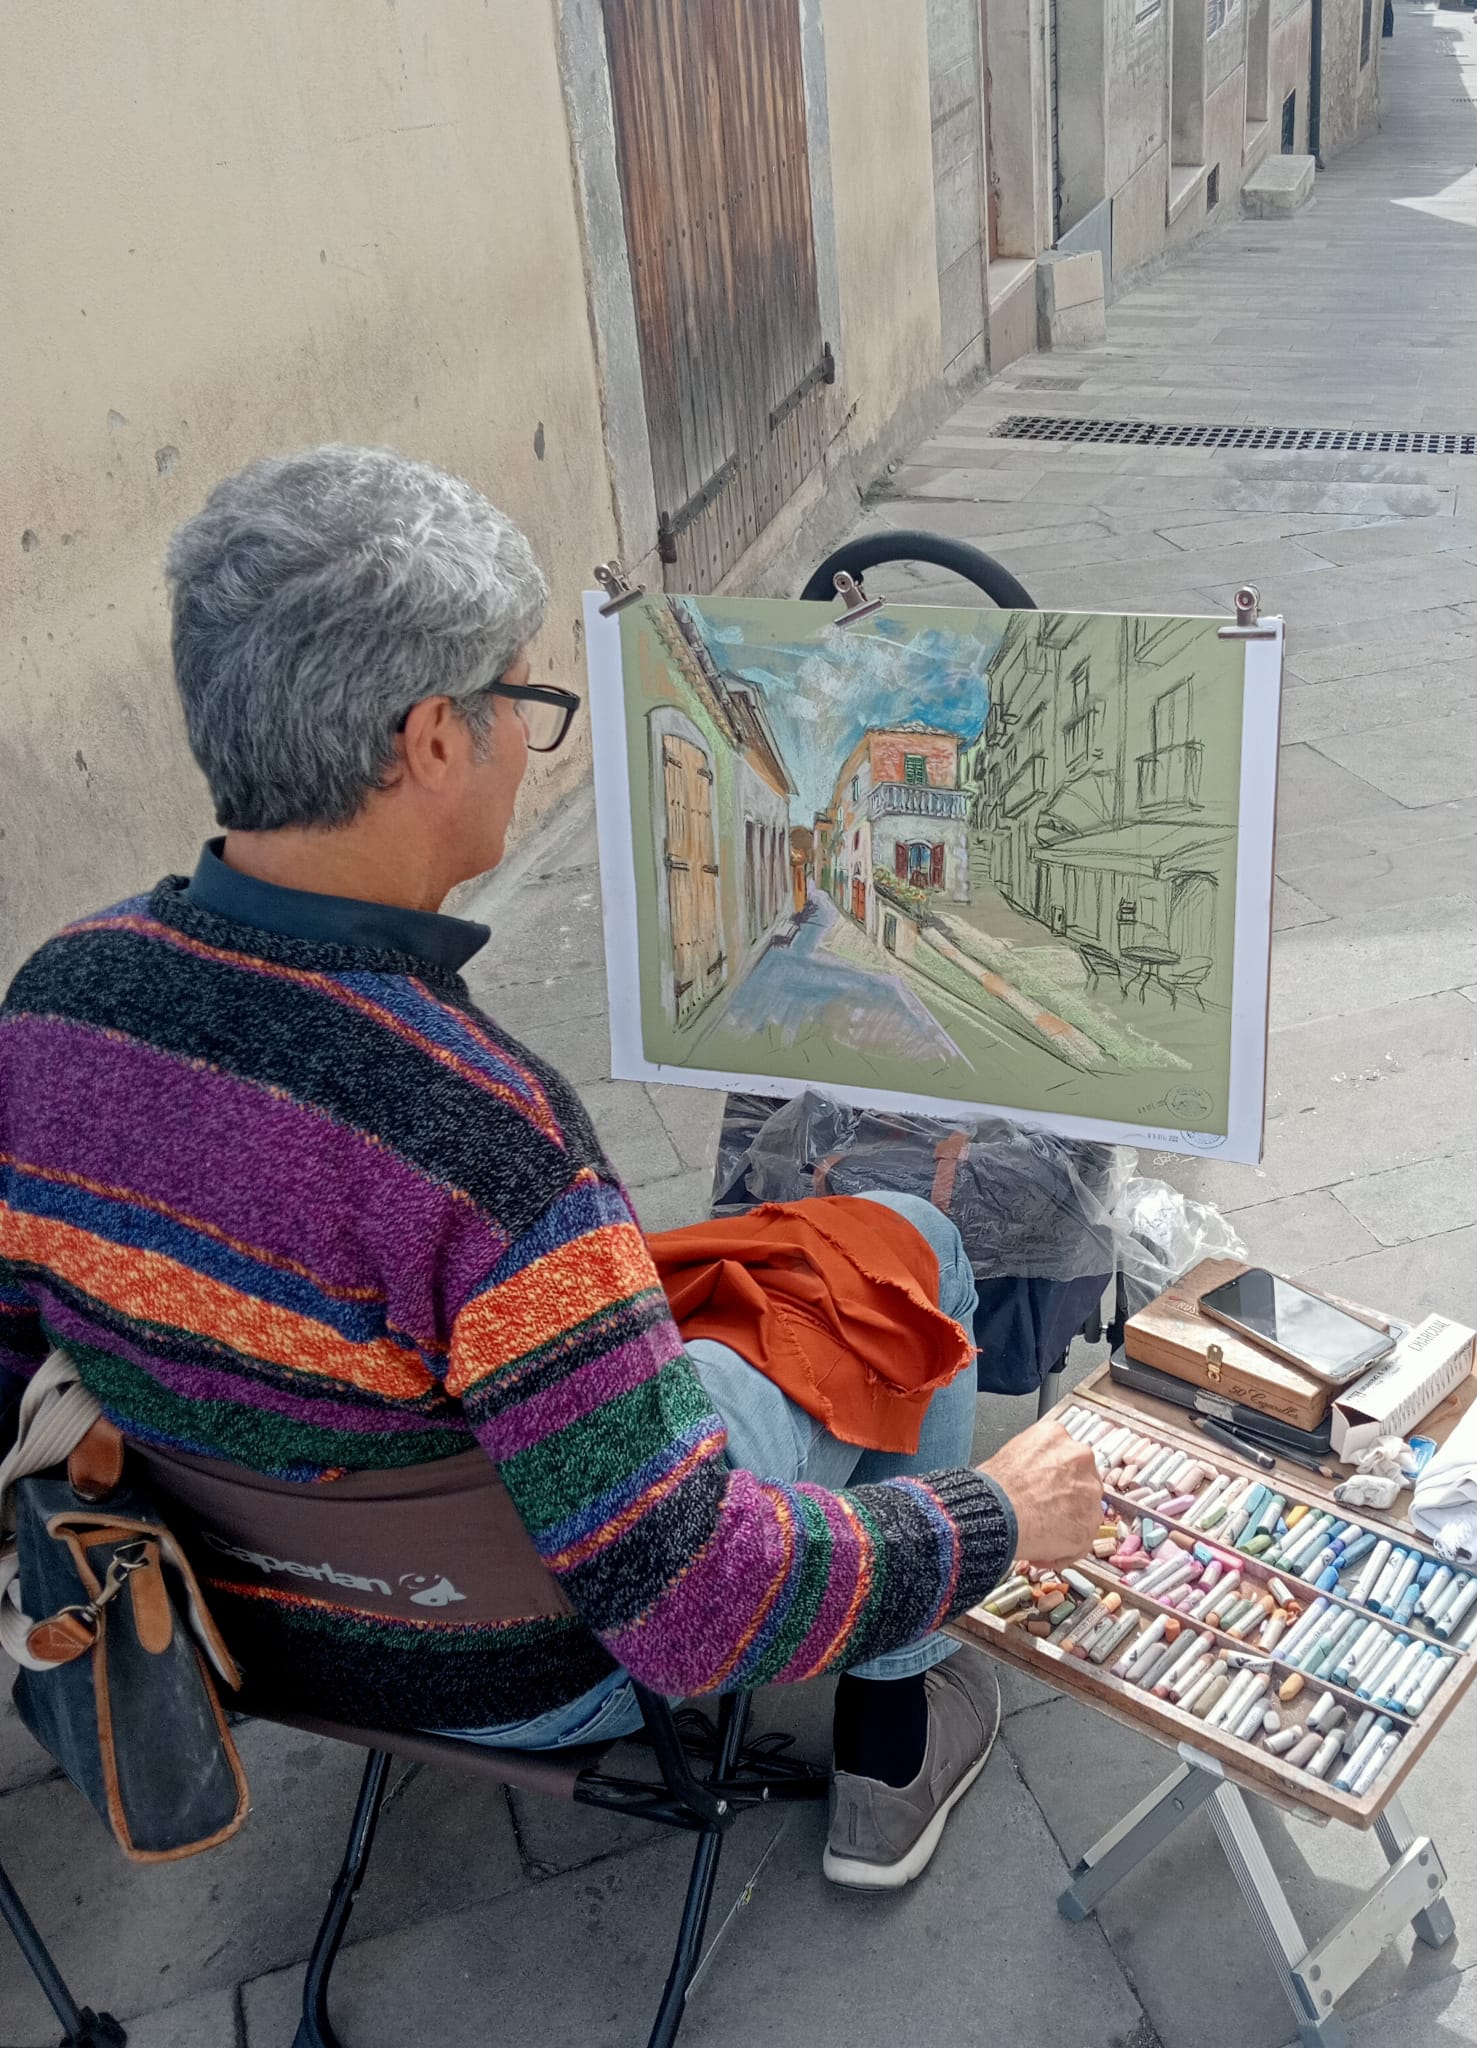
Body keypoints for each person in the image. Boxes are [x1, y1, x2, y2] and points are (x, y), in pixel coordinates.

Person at [0, 445, 1101, 1892]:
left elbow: (24, 1357)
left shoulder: (56, 1000)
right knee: (906, 1250)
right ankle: (896, 1721)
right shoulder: (478, 1133)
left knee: (750, 1285)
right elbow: (691, 1615)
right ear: (433, 741)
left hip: (238, 1627)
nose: (532, 736)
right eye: (522, 700)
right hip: (523, 1673)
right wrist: (997, 1516)